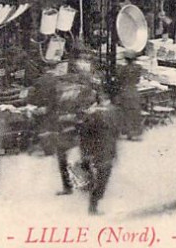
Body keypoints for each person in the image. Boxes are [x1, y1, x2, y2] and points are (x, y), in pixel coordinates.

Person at [54, 53, 96, 195]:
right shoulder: (80, 91)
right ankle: (75, 185)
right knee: (72, 157)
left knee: (74, 157)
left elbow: (85, 111)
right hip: (71, 128)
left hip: (74, 128)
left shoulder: (82, 93)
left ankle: (76, 185)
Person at [78, 81, 118, 216]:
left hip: (97, 150)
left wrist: (86, 152)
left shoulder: (92, 115)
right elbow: (116, 132)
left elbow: (84, 135)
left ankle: (92, 201)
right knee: (103, 179)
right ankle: (93, 206)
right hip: (106, 150)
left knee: (99, 176)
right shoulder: (112, 112)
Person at [116, 50, 143, 140]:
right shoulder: (138, 67)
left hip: (125, 91)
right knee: (135, 112)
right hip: (134, 91)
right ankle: (135, 132)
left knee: (126, 112)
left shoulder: (123, 69)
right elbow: (138, 80)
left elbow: (119, 79)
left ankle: (127, 132)